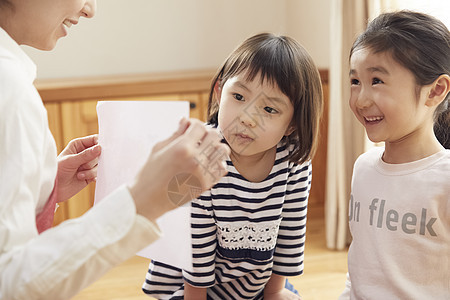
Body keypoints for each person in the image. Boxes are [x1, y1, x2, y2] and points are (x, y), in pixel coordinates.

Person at [0, 0, 230, 299]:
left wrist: (43, 189)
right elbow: (11, 284)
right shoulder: (11, 94)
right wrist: (141, 201)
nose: (90, 9)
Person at [142, 33, 324, 299]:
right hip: (190, 289)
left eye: (269, 110)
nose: (248, 118)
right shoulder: (201, 154)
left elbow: (290, 235)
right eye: (239, 97)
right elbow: (196, 252)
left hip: (253, 287)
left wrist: (274, 293)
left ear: (293, 124)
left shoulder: (293, 161)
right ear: (219, 93)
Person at [339, 11, 450, 299]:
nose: (361, 100)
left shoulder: (445, 180)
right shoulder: (364, 168)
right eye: (355, 81)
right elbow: (360, 269)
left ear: (435, 90)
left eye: (376, 80)